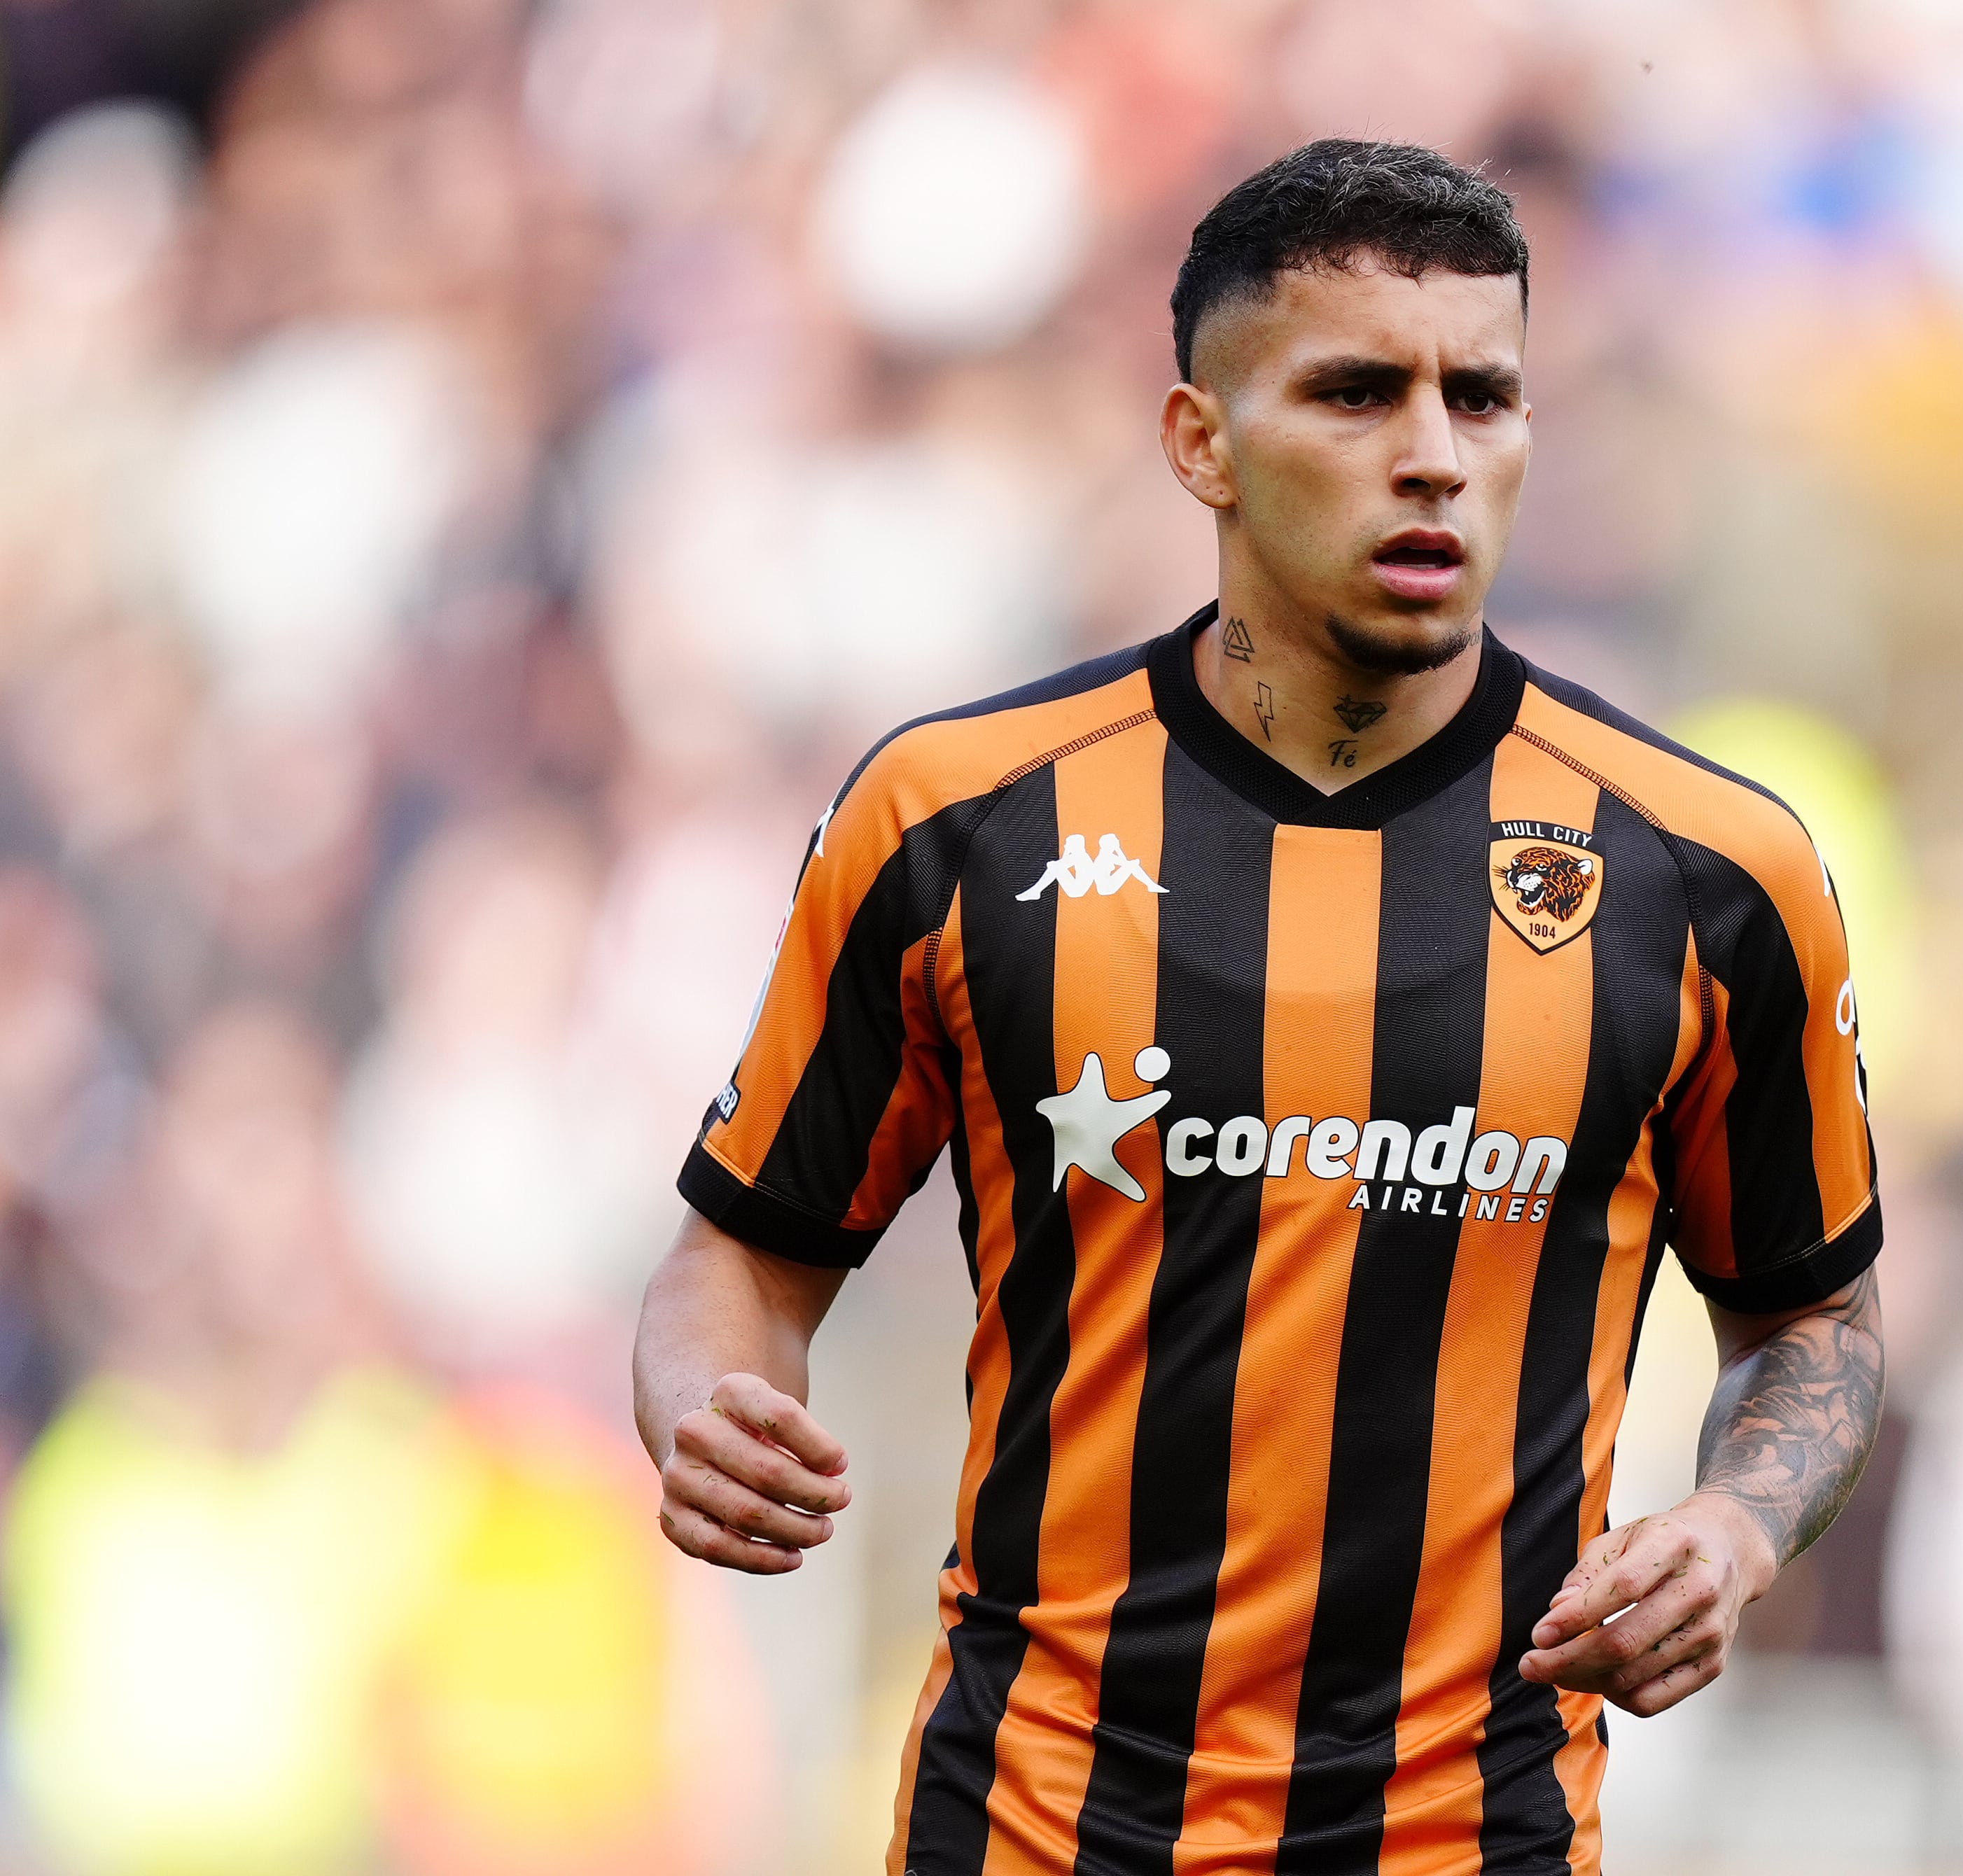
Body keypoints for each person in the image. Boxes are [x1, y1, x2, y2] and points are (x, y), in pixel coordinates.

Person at [631, 139, 1887, 1876]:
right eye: (1359, 392)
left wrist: (1738, 1528)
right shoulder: (959, 823)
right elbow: (743, 1254)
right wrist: (708, 1407)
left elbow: (1815, 1317)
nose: (1436, 456)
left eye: (1487, 396)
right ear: (1198, 443)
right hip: (1040, 1828)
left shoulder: (1709, 873)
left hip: (1477, 1839)